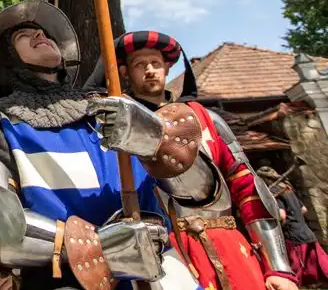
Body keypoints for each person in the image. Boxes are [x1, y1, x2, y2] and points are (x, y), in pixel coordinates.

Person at [0, 0, 207, 290]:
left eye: (43, 33)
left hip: (164, 276)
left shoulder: (114, 110)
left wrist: (153, 138)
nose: (40, 34)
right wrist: (97, 246)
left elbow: (202, 195)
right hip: (69, 280)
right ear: (8, 62)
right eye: (23, 36)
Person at [112, 30, 298, 290]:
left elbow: (248, 189)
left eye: (156, 63)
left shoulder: (206, 119)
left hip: (229, 247)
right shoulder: (117, 129)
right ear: (124, 72)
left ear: (167, 67)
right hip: (164, 255)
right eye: (140, 65)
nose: (150, 70)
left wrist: (278, 268)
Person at [257, 167, 328, 290]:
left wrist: (271, 214)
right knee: (327, 267)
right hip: (307, 233)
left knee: (295, 270)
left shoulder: (275, 192)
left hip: (294, 237)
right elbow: (303, 210)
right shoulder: (288, 189)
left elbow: (282, 216)